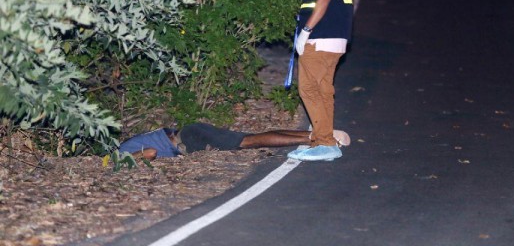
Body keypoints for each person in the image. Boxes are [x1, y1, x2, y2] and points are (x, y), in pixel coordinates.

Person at [287, 0, 355, 162]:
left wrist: (306, 31)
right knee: (324, 89)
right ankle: (323, 141)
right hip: (338, 36)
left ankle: (324, 142)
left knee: (309, 89)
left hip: (321, 35)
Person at [119, 122, 351, 161]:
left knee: (248, 141)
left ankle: (318, 137)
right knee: (250, 138)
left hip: (188, 138)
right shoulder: (123, 147)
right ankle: (315, 135)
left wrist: (129, 161)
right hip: (188, 134)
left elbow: (149, 153)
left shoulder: (119, 154)